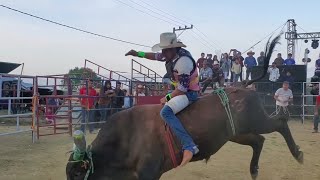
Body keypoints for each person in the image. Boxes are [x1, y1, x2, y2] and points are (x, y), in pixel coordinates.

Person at [126, 32, 200, 166]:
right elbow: (154, 56)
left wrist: (167, 97)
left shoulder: (183, 62)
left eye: (165, 50)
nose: (163, 53)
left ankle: (189, 145)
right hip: (183, 90)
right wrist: (137, 53)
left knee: (165, 112)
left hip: (189, 93)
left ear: (172, 49)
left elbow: (183, 88)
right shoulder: (172, 55)